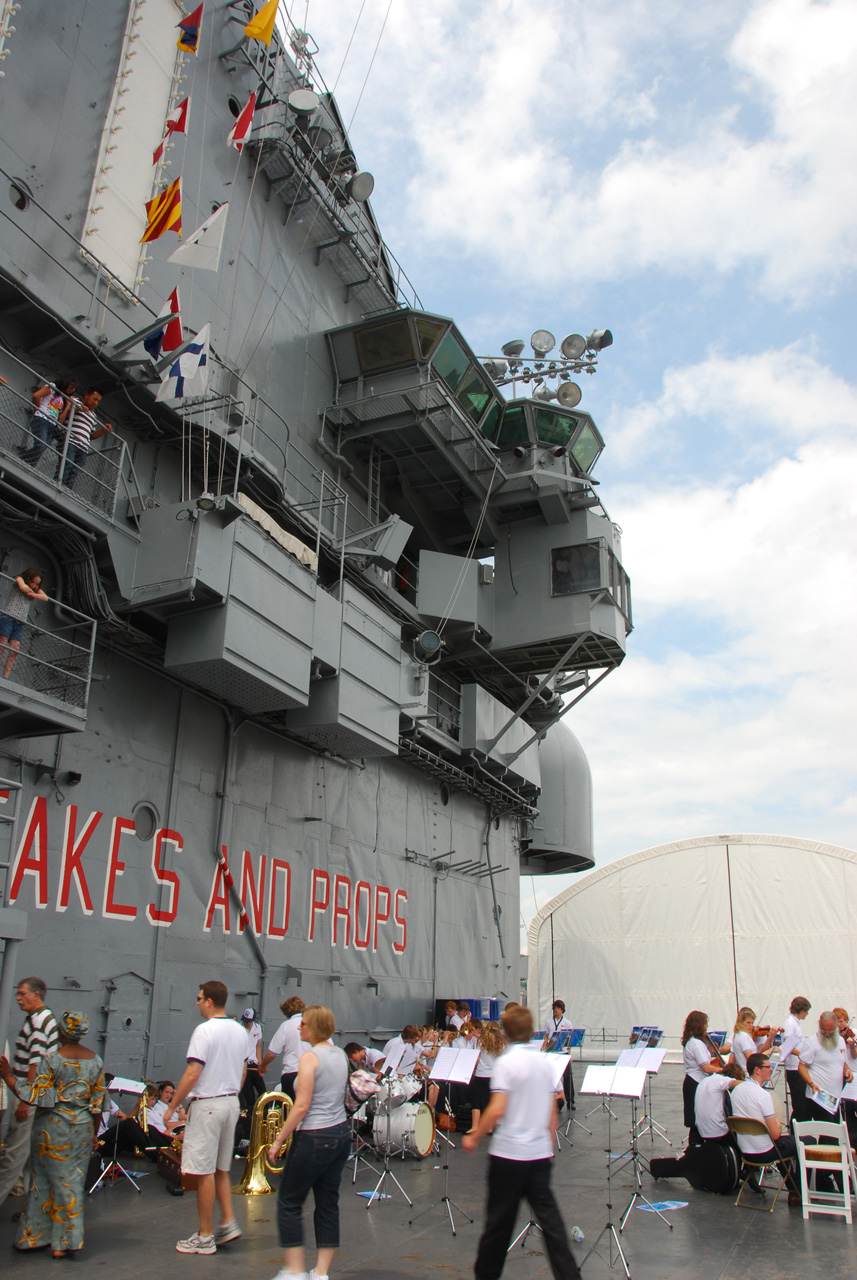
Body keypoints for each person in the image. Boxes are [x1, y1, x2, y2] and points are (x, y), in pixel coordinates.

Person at [462, 1004, 582, 1280]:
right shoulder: (544, 1062)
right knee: (553, 1228)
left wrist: (476, 1135)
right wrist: (547, 1146)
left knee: (498, 1228)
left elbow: (497, 1107)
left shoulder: (506, 1062)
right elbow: (552, 1109)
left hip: (508, 1156)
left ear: (506, 1032)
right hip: (538, 1156)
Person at [0, 1010, 105, 1255]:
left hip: (50, 1130)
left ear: (61, 1032)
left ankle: (34, 1237)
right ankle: (65, 1242)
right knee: (72, 1183)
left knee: (43, 1182)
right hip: (82, 1128)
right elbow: (98, 1104)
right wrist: (94, 1134)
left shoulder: (52, 1060)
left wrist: (7, 1076)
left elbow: (35, 1095)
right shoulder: (96, 1061)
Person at [164, 979, 249, 1255]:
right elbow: (244, 1070)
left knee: (203, 1172)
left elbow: (193, 1072)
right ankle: (228, 1221)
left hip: (209, 1105)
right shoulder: (240, 1031)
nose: (197, 1003)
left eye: (199, 998)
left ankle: (204, 1236)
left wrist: (173, 1105)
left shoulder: (204, 1030)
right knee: (222, 1169)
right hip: (230, 1103)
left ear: (209, 1001)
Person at [268, 1005, 350, 1280]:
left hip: (314, 1136)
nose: (299, 1027)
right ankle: (321, 1273)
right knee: (328, 1204)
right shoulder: (340, 1055)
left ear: (313, 1028)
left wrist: (278, 1140)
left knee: (289, 1201)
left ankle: (294, 1270)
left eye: (303, 1024)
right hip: (340, 1135)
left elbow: (301, 1106)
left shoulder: (309, 1058)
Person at [0, 976, 59, 1208]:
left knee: (13, 1153)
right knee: (28, 1156)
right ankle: (29, 1207)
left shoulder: (39, 1021)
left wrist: (26, 1101)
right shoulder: (41, 1019)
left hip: (27, 1095)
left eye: (22, 993)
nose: (18, 997)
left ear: (36, 995)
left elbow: (37, 1063)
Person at [729, 1053, 801, 1206]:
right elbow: (775, 1135)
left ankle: (795, 1191)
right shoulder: (763, 1095)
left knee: (783, 1147)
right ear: (757, 1070)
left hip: (746, 1152)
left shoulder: (736, 1091)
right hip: (764, 1152)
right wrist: (778, 1125)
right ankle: (799, 1191)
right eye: (768, 1067)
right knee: (804, 1141)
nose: (771, 1070)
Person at [798, 1010, 853, 1123]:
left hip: (834, 1098)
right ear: (819, 1026)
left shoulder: (841, 1041)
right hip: (818, 1096)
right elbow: (802, 1066)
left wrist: (847, 1071)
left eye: (830, 1030)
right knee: (830, 1135)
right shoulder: (812, 1042)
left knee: (834, 1134)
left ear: (836, 1027)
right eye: (824, 1030)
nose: (827, 1033)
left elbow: (843, 1063)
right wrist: (811, 1084)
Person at [56, 386, 113, 489]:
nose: (96, 403)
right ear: (87, 395)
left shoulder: (93, 415)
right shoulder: (75, 401)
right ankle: (57, 484)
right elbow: (65, 414)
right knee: (67, 464)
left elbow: (91, 435)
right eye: (94, 399)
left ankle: (66, 489)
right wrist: (79, 409)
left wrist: (103, 430)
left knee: (75, 471)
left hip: (83, 448)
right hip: (70, 441)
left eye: (98, 401)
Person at [0, 567, 48, 680]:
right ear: (29, 578)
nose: (34, 585)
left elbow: (45, 598)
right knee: (2, 644)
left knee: (15, 649)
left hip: (19, 622)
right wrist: (30, 591)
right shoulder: (19, 578)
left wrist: (32, 593)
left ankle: (5, 677)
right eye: (33, 582)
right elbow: (22, 586)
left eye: (37, 584)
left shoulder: (34, 589)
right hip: (8, 617)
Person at [681, 1010, 721, 1138]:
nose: (706, 1026)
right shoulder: (696, 1044)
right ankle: (696, 1147)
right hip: (695, 1083)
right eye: (705, 1023)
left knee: (698, 1119)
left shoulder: (694, 1042)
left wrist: (710, 1051)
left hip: (694, 1081)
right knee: (697, 1119)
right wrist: (724, 1070)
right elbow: (706, 1067)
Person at [20, 377, 74, 466]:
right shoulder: (52, 387)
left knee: (42, 448)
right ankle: (22, 460)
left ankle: (29, 465)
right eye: (72, 386)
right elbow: (36, 395)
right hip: (42, 419)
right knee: (40, 445)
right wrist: (38, 409)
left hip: (52, 425)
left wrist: (68, 405)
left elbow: (60, 420)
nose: (73, 389)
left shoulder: (62, 398)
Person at [262, 996, 307, 1098]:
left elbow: (272, 1053)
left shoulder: (286, 1025)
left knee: (290, 1108)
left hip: (291, 1074)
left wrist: (262, 1066)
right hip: (311, 1074)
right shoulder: (314, 1024)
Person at [469, 1022, 505, 1135]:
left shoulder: (480, 1042)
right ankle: (489, 1126)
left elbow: (476, 1058)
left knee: (476, 1101)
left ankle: (475, 1126)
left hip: (481, 1074)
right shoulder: (502, 1043)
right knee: (490, 1102)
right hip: (495, 1075)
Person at [694, 1063, 745, 1144]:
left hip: (701, 1131)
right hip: (718, 1132)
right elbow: (742, 1084)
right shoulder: (721, 1080)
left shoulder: (704, 1081)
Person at [781, 995, 811, 1123]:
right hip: (794, 1068)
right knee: (799, 1104)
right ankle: (797, 1133)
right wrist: (802, 1054)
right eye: (806, 1011)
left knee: (803, 1104)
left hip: (798, 1067)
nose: (807, 1014)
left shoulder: (795, 1023)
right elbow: (788, 1045)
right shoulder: (790, 1023)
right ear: (801, 1010)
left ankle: (802, 1130)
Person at [543, 998, 575, 1110]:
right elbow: (546, 1035)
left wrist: (569, 1049)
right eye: (554, 1008)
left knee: (567, 1076)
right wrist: (544, 1045)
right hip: (552, 1051)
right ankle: (556, 1100)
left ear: (562, 1010)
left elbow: (570, 1037)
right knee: (553, 1076)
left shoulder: (567, 1023)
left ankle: (570, 1100)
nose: (556, 1011)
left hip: (563, 1051)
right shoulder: (548, 1021)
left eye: (558, 1008)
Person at [728, 1007, 778, 1073]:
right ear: (740, 1022)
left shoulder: (737, 1035)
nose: (751, 1025)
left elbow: (732, 1061)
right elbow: (751, 1060)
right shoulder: (744, 1036)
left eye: (752, 1023)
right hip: (748, 1073)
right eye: (748, 1023)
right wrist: (768, 1052)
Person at [239, 1006, 266, 1112]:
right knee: (249, 1096)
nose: (247, 1023)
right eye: (245, 1021)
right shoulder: (239, 1028)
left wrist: (260, 1063)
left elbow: (257, 1046)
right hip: (243, 1065)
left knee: (263, 1091)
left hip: (254, 1064)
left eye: (249, 1021)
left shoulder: (257, 1028)